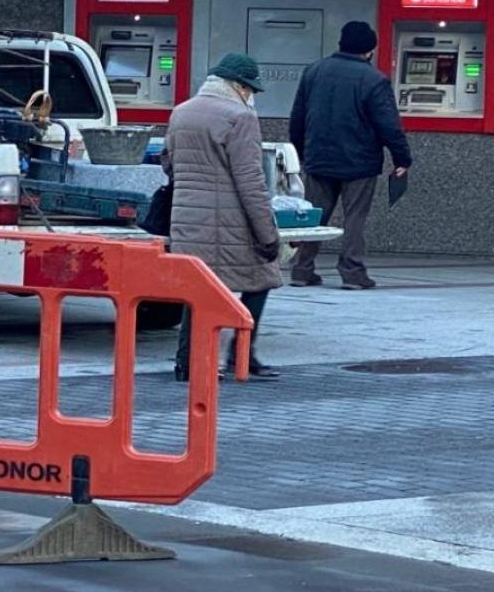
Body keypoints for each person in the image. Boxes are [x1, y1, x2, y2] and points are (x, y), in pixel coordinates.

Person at [164, 53, 281, 381]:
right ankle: (242, 356)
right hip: (230, 223)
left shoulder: (181, 112)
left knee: (197, 290)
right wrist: (267, 234)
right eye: (251, 90)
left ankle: (186, 361)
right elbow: (251, 181)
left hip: (186, 219)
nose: (251, 96)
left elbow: (168, 164)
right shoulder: (239, 117)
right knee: (262, 278)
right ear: (239, 86)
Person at [289, 20, 412, 290]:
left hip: (318, 158)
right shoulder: (374, 80)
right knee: (354, 217)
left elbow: (297, 117)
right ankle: (353, 273)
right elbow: (388, 125)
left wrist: (298, 151)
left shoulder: (314, 71)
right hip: (360, 162)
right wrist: (402, 159)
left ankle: (301, 269)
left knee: (314, 216)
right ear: (369, 50)